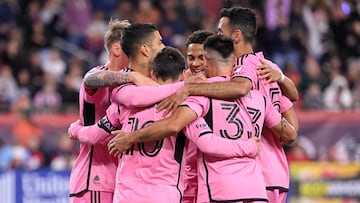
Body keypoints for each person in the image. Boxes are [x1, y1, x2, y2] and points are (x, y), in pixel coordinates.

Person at [108, 35, 297, 202]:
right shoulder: (259, 98)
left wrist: (130, 137)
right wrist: (282, 79)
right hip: (256, 189)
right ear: (234, 62)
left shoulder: (200, 95)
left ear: (207, 61)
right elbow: (290, 133)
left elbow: (176, 126)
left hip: (219, 190)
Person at [216, 7, 299, 202]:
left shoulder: (242, 70)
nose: (216, 37)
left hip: (255, 174)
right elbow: (292, 124)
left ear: (236, 35)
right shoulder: (267, 66)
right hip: (277, 171)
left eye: (220, 32)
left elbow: (289, 131)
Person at [69, 19, 154, 203]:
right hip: (95, 179)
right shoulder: (99, 75)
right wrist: (131, 75)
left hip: (121, 181)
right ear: (116, 49)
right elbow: (91, 79)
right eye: (131, 48)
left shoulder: (132, 86)